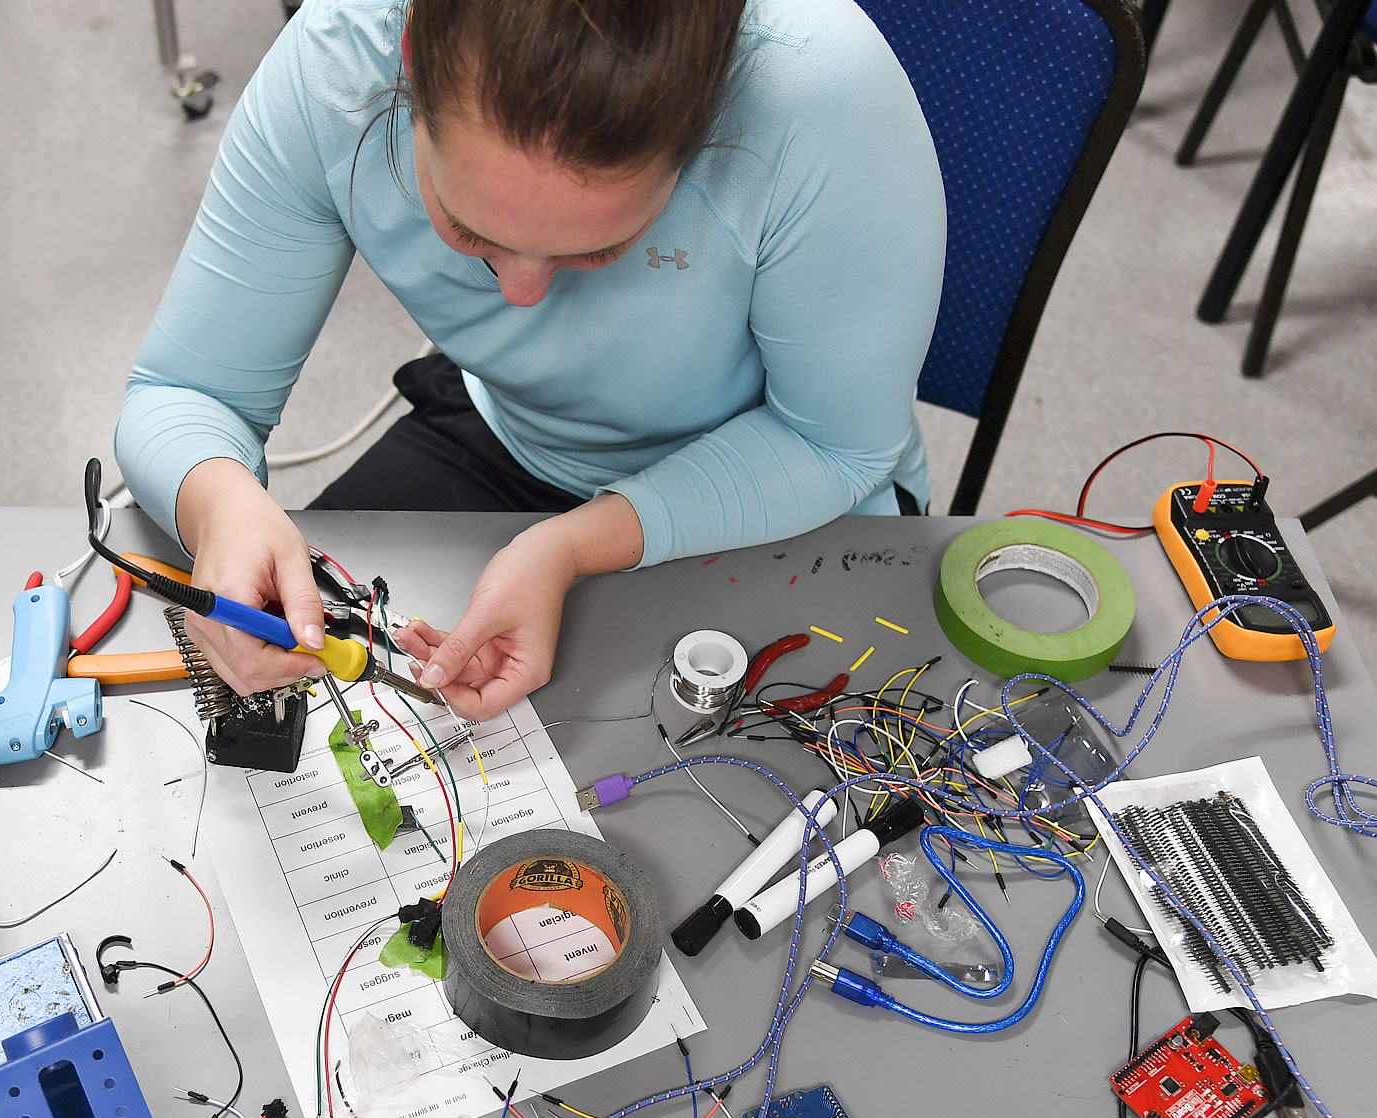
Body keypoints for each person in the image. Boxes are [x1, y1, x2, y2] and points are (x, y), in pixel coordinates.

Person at [116, 0, 945, 721]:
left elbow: (837, 444)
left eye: (601, 250)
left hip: (796, 489)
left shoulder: (821, 94)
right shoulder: (336, 66)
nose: (520, 297)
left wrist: (572, 546)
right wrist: (219, 504)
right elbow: (182, 392)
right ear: (409, 61)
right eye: (473, 235)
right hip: (510, 438)